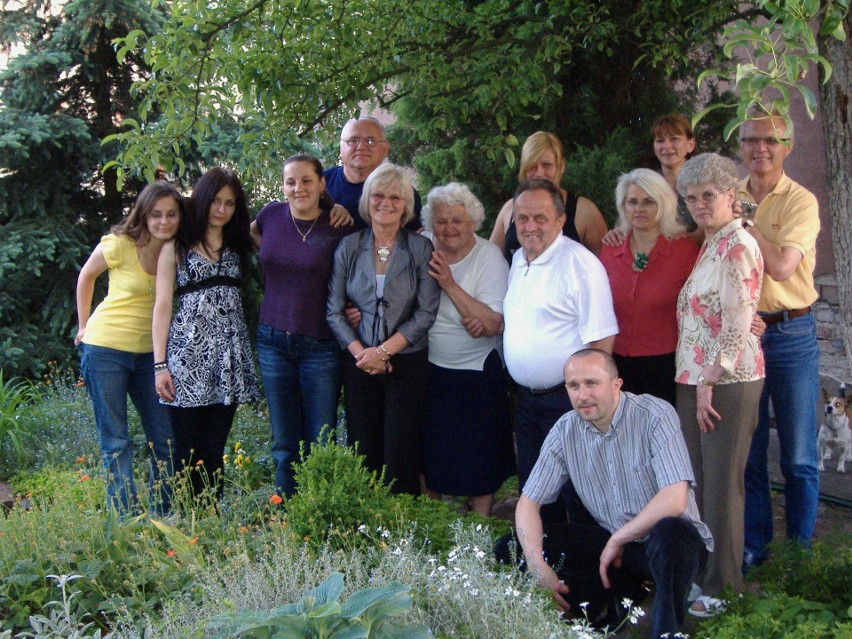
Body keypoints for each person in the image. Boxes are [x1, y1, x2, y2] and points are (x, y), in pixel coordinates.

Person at [495, 349, 712, 639]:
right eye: (573, 386)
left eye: (591, 383)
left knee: (671, 535)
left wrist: (619, 538)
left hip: (667, 541)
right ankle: (605, 602)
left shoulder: (655, 415)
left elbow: (675, 499)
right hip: (613, 547)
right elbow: (528, 503)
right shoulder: (565, 431)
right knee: (510, 546)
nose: (582, 395)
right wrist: (538, 566)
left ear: (616, 384)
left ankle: (665, 630)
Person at [674, 153, 765, 616]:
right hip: (696, 378)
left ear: (732, 196)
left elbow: (737, 323)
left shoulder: (738, 245)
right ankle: (706, 574)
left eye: (708, 195)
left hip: (727, 381)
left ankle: (725, 586)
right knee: (702, 484)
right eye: (691, 198)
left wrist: (710, 379)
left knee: (724, 486)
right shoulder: (712, 243)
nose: (699, 205)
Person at [502, 178, 618, 524]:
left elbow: (603, 341)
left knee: (580, 494)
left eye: (540, 217)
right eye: (522, 218)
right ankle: (545, 567)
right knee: (536, 491)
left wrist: (589, 401)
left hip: (567, 402)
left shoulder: (579, 264)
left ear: (560, 220)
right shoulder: (518, 260)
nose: (530, 226)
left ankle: (588, 571)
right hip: (526, 400)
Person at [326, 163, 440, 495]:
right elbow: (334, 311)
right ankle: (365, 528)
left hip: (406, 361)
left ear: (406, 204)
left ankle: (401, 530)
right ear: (367, 200)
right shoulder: (349, 246)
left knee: (400, 449)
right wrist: (364, 354)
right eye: (378, 195)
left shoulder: (420, 249)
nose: (385, 203)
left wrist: (384, 351)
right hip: (359, 360)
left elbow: (426, 312)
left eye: (395, 196)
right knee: (363, 448)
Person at [739, 110, 822, 568]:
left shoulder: (800, 201)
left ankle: (798, 556)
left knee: (798, 455)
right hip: (744, 336)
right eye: (751, 140)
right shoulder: (731, 196)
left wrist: (744, 223)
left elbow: (784, 267)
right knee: (750, 452)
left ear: (787, 146)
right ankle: (755, 544)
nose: (760, 149)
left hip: (790, 332)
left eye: (770, 140)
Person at [250, 154, 356, 499]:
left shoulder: (339, 225)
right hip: (272, 342)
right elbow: (254, 236)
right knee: (284, 441)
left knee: (320, 438)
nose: (298, 188)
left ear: (322, 183)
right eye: (290, 182)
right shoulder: (270, 216)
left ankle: (316, 511)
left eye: (307, 180)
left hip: (321, 346)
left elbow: (355, 275)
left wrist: (353, 309)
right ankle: (286, 516)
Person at [76, 182, 183, 515]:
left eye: (171, 215)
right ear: (144, 214)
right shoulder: (120, 244)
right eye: (156, 215)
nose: (164, 222)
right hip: (105, 349)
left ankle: (162, 517)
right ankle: (126, 522)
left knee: (165, 440)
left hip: (151, 356)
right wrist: (82, 326)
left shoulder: (179, 249)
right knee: (117, 442)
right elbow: (85, 277)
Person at [153, 168, 259, 501]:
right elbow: (162, 306)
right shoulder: (177, 246)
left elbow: (286, 228)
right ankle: (179, 523)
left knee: (213, 450)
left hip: (227, 360)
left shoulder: (239, 243)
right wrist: (159, 365)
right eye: (215, 201)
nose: (221, 210)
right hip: (186, 360)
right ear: (202, 199)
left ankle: (210, 522)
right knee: (183, 450)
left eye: (229, 203)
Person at [419, 182, 514, 517]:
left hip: (477, 368)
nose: (449, 228)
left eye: (457, 220)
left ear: (473, 222)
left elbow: (492, 322)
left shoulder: (488, 256)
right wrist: (471, 312)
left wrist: (450, 284)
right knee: (431, 449)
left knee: (479, 450)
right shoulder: (423, 247)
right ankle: (436, 521)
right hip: (429, 364)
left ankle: (480, 521)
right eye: (442, 221)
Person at [599, 169, 699, 406]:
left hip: (665, 363)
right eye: (632, 202)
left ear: (663, 204)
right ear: (623, 206)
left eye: (648, 202)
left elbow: (701, 304)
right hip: (616, 361)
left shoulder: (684, 250)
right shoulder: (610, 249)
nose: (639, 209)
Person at [489, 131, 608, 257]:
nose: (539, 173)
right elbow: (488, 261)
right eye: (532, 166)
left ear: (561, 166)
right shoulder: (509, 209)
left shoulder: (584, 212)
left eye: (547, 165)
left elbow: (608, 266)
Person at [324, 116, 422, 230]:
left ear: (385, 149)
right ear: (341, 148)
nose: (361, 147)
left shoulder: (401, 192)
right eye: (353, 140)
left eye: (371, 141)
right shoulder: (319, 184)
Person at [652, 114, 698, 232]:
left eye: (674, 139)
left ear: (690, 145)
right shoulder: (646, 186)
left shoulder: (704, 184)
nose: (667, 146)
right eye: (660, 141)